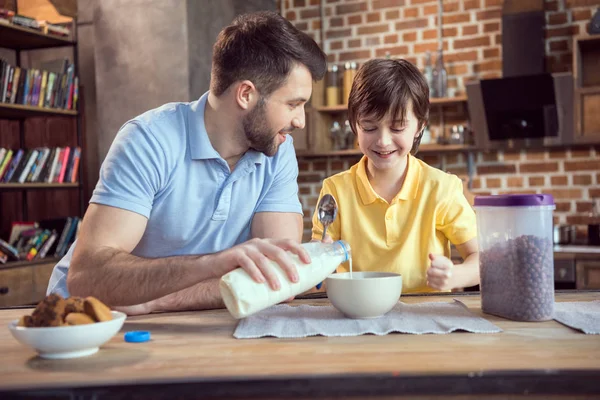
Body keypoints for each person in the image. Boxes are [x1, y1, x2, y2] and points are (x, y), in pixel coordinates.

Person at [47, 10, 327, 314]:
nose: (300, 121)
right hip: (86, 322)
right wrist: (212, 266)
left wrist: (158, 300)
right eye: (293, 104)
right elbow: (88, 277)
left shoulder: (276, 149)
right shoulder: (148, 140)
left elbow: (280, 281)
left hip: (163, 315)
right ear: (246, 94)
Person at [311, 59, 479, 293]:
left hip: (425, 321)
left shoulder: (441, 188)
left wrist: (455, 275)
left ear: (420, 126)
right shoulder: (336, 190)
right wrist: (316, 260)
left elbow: (480, 258)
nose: (383, 141)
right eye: (369, 128)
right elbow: (318, 271)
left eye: (397, 128)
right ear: (354, 126)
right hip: (357, 317)